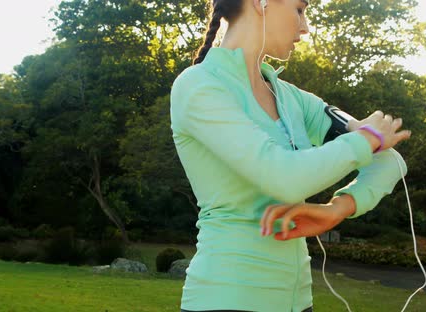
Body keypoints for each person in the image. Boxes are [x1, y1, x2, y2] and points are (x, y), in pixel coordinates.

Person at [170, 0, 411, 311]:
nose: (306, 26)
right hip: (227, 297)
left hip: (299, 301)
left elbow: (390, 159)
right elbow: (283, 178)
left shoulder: (292, 98)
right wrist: (365, 140)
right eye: (300, 9)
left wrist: (338, 208)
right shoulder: (198, 85)